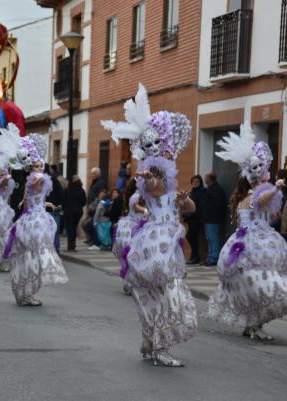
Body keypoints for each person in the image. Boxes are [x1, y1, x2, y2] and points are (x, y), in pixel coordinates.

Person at [103, 83, 197, 367]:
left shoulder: (167, 177)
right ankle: (159, 346)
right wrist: (151, 177)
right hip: (156, 243)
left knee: (161, 295)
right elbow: (153, 189)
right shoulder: (150, 176)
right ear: (143, 147)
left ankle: (153, 343)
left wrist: (184, 201)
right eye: (149, 144)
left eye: (159, 143)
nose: (156, 149)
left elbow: (188, 209)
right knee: (166, 295)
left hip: (169, 239)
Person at [204, 122, 287, 341]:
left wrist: (273, 205)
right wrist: (277, 188)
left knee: (260, 287)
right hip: (252, 246)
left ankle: (254, 324)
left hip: (255, 244)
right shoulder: (253, 196)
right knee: (261, 287)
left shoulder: (251, 195)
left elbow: (263, 208)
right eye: (263, 173)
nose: (267, 175)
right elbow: (259, 202)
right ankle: (254, 325)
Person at [4, 134, 68, 306]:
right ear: (31, 168)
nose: (40, 169)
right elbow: (32, 190)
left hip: (37, 217)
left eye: (41, 166)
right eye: (37, 166)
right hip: (34, 222)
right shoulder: (34, 179)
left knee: (33, 257)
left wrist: (47, 203)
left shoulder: (33, 181)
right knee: (33, 255)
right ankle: (25, 293)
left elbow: (29, 200)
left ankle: (27, 293)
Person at [203, 171, 228, 266]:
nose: (205, 179)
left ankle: (214, 258)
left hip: (213, 218)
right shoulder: (210, 189)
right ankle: (210, 257)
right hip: (209, 218)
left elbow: (218, 204)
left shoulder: (215, 189)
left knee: (213, 238)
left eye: (206, 177)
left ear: (210, 178)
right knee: (209, 238)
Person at [184, 175, 206, 265]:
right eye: (193, 182)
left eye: (197, 181)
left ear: (200, 183)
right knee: (192, 237)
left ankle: (195, 257)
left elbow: (200, 206)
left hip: (197, 218)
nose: (195, 183)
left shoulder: (202, 191)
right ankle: (194, 256)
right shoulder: (192, 192)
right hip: (191, 218)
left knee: (191, 236)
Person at [64, 175, 86, 251]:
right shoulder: (81, 190)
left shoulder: (67, 190)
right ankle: (73, 246)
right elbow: (84, 202)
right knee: (74, 227)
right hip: (78, 212)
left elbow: (64, 201)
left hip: (69, 212)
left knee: (70, 228)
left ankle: (70, 246)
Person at [47, 164, 64, 251]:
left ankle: (54, 250)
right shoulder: (54, 181)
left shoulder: (54, 181)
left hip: (52, 210)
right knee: (54, 232)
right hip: (52, 210)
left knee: (53, 232)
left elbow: (61, 194)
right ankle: (55, 250)